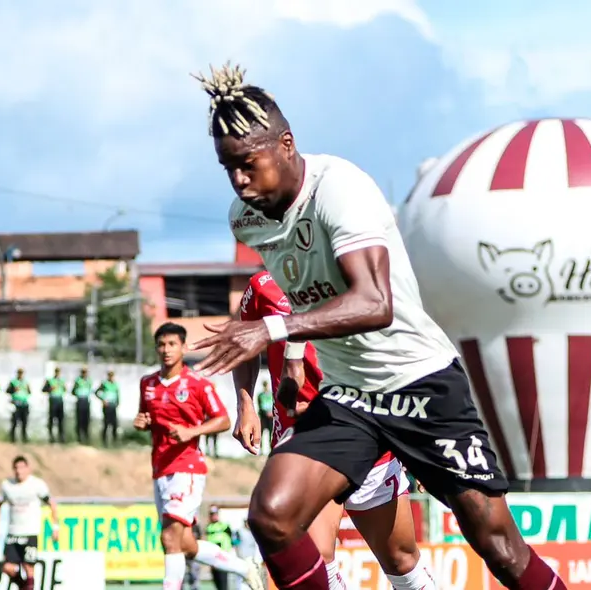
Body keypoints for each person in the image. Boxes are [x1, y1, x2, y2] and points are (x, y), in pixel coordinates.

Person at [189, 64, 564, 590]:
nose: (239, 181)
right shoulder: (245, 218)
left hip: (421, 384)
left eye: (248, 164)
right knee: (271, 515)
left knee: (497, 546)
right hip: (350, 398)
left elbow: (374, 303)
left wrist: (273, 332)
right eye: (228, 168)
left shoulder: (340, 189)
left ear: (287, 145)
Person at [236, 271, 433, 589]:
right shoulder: (262, 286)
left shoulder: (361, 280)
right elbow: (242, 340)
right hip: (306, 442)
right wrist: (245, 403)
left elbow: (400, 365)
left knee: (401, 560)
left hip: (368, 433)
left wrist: (418, 445)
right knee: (318, 559)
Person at [134, 322, 264, 590]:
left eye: (172, 344)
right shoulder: (147, 384)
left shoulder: (197, 384)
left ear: (183, 347)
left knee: (170, 539)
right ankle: (243, 567)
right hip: (160, 468)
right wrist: (143, 422)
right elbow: (147, 418)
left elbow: (223, 420)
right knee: (184, 544)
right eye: (161, 344)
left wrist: (191, 431)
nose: (166, 350)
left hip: (188, 468)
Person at [0, 456, 61, 590]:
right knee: (7, 568)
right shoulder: (7, 485)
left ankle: (27, 587)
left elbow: (52, 504)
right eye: (16, 468)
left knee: (29, 567)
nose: (19, 471)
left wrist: (55, 527)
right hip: (13, 533)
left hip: (30, 532)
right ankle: (25, 587)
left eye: (22, 468)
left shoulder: (36, 484)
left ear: (28, 469)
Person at [205, 506, 238, 590]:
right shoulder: (209, 527)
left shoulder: (225, 526)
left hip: (222, 556)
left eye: (215, 514)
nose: (214, 516)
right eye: (212, 514)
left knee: (223, 581)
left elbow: (232, 539)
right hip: (212, 558)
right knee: (217, 582)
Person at [96, 370, 120, 447]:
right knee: (106, 424)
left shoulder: (115, 384)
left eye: (112, 375)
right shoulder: (104, 384)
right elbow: (96, 392)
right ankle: (104, 443)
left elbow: (117, 394)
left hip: (113, 406)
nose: (111, 377)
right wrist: (103, 400)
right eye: (110, 375)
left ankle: (115, 442)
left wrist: (118, 403)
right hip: (107, 406)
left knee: (114, 424)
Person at [42, 367, 66, 443]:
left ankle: (61, 437)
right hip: (53, 401)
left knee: (61, 420)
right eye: (56, 371)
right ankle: (51, 437)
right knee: (51, 419)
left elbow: (65, 389)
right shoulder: (50, 381)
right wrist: (50, 389)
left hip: (60, 401)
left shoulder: (62, 381)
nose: (57, 373)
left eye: (58, 372)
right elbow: (43, 390)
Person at [7, 368, 31, 444]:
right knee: (14, 422)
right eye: (19, 373)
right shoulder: (13, 382)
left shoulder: (26, 382)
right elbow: (7, 391)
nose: (20, 374)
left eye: (21, 373)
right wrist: (14, 390)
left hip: (24, 404)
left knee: (24, 423)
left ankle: (24, 438)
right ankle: (12, 439)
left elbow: (29, 392)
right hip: (16, 404)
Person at [72, 367, 93, 444]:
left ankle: (86, 438)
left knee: (86, 420)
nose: (84, 373)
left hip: (86, 401)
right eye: (83, 372)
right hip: (80, 401)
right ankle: (79, 438)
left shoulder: (89, 381)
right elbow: (73, 391)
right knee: (79, 420)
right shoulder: (78, 380)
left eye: (85, 372)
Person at [255, 381, 273, 455]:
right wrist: (266, 412)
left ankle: (271, 449)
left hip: (271, 417)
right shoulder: (260, 395)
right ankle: (261, 450)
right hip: (263, 417)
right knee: (261, 433)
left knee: (271, 434)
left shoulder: (271, 394)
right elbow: (260, 405)